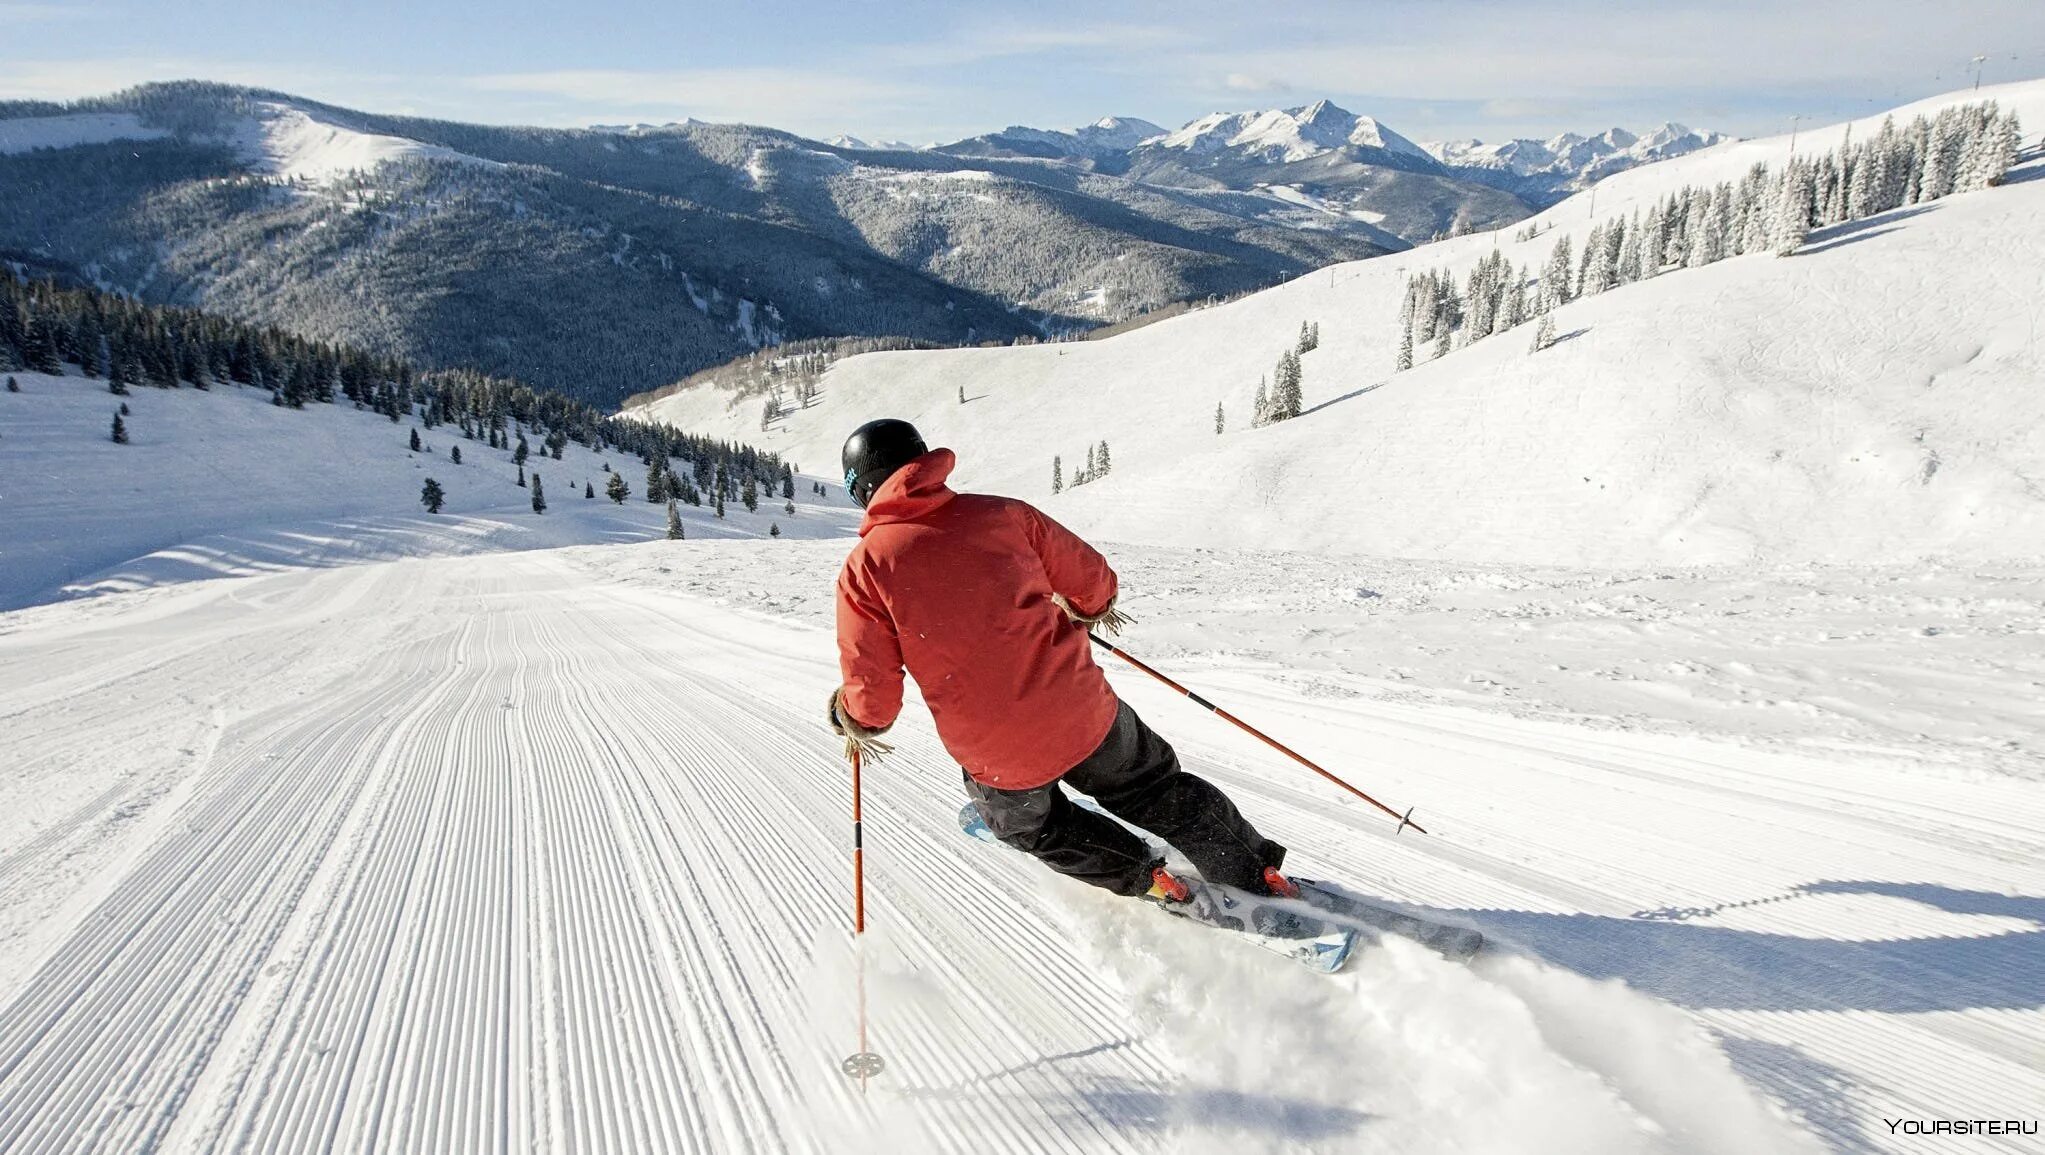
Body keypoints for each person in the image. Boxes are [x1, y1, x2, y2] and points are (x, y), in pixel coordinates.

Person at [828, 418, 1297, 903]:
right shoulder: (1006, 515)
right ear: (923, 462)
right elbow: (1094, 583)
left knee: (1034, 828)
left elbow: (875, 702)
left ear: (860, 489)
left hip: (998, 752)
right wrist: (1083, 608)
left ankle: (1146, 876)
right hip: (1083, 712)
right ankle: (1255, 868)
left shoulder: (865, 570)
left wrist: (851, 714)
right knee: (1154, 787)